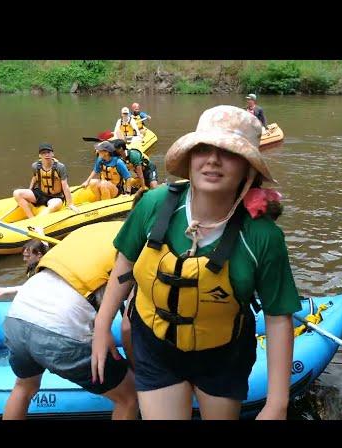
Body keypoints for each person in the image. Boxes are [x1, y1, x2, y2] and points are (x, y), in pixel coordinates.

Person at [91, 105, 300, 420]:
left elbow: (277, 316)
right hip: (156, 346)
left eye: (228, 153)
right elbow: (124, 264)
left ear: (248, 168)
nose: (213, 160)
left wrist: (277, 404)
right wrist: (101, 325)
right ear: (190, 157)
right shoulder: (154, 204)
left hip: (223, 356)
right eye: (204, 149)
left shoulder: (262, 237)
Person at [2, 221, 138, 420]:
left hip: (17, 314)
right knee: (130, 397)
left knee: (24, 386)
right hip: (60, 328)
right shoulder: (137, 245)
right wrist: (137, 370)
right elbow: (128, 326)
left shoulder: (91, 229)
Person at [13, 143, 79, 219]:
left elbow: (65, 185)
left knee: (54, 205)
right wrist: (30, 190)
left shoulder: (60, 167)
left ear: (52, 154)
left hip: (55, 197)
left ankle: (38, 221)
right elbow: (35, 178)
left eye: (48, 152)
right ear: (40, 156)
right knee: (17, 193)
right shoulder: (35, 166)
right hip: (41, 194)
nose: (46, 155)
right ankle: (31, 218)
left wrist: (70, 204)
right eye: (43, 153)